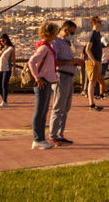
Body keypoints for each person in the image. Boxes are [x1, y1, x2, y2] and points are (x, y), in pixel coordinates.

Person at [27, 22, 59, 150]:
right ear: (50, 33)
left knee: (43, 111)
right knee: (39, 111)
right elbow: (31, 61)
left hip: (47, 81)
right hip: (42, 82)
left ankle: (41, 138)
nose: (57, 34)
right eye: (56, 31)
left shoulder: (46, 46)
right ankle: (37, 139)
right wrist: (37, 78)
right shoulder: (44, 48)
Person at [48, 21, 79, 143]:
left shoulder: (66, 43)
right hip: (61, 76)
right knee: (58, 106)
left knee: (65, 108)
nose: (73, 35)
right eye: (72, 33)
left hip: (69, 76)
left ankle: (60, 134)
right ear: (65, 30)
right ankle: (53, 135)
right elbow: (55, 61)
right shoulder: (56, 42)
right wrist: (72, 62)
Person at [83, 16, 106, 110]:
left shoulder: (97, 33)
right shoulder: (93, 34)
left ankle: (92, 103)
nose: (100, 22)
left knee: (93, 82)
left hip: (97, 60)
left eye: (100, 21)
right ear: (94, 23)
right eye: (98, 21)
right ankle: (91, 104)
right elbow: (87, 49)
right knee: (92, 82)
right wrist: (93, 60)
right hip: (93, 61)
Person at [0, 33, 15, 106]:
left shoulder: (11, 48)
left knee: (4, 85)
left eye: (3, 40)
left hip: (7, 69)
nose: (1, 42)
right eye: (0, 41)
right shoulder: (0, 48)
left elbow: (13, 60)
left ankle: (5, 101)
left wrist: (14, 70)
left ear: (6, 40)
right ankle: (3, 100)